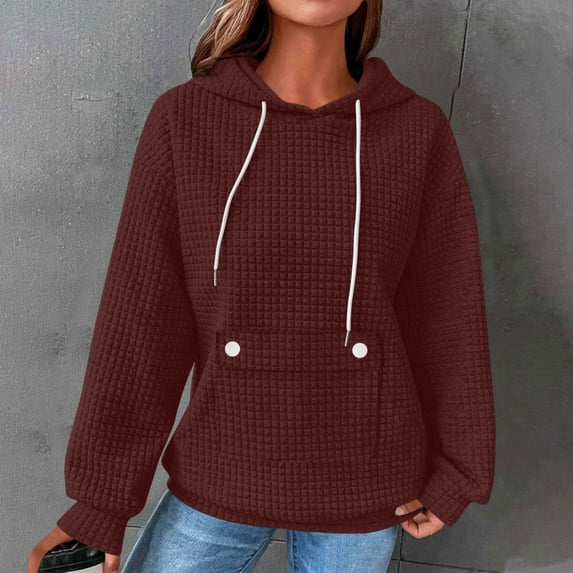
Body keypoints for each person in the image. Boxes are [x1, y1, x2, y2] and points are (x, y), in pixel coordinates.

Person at [29, 0, 496, 571]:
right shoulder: (186, 119)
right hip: (221, 468)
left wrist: (458, 471)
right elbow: (142, 320)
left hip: (368, 482)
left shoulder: (416, 129)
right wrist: (100, 502)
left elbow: (446, 310)